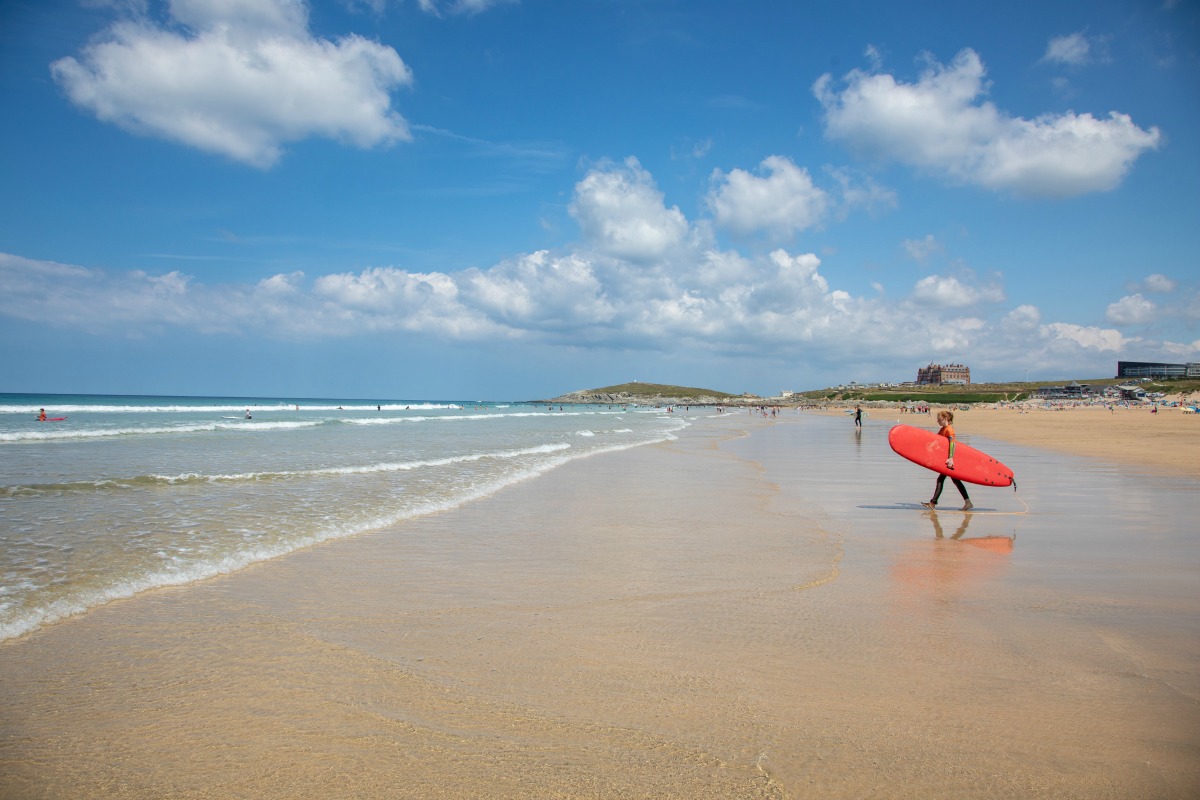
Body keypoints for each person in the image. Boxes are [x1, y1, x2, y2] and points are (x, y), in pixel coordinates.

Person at [921, 410, 973, 511]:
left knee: (941, 480)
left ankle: (933, 503)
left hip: (949, 460)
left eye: (939, 419)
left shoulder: (949, 429)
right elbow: (938, 441)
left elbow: (952, 444)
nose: (937, 421)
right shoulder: (943, 429)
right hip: (945, 459)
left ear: (945, 419)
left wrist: (950, 458)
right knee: (955, 481)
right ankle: (968, 502)